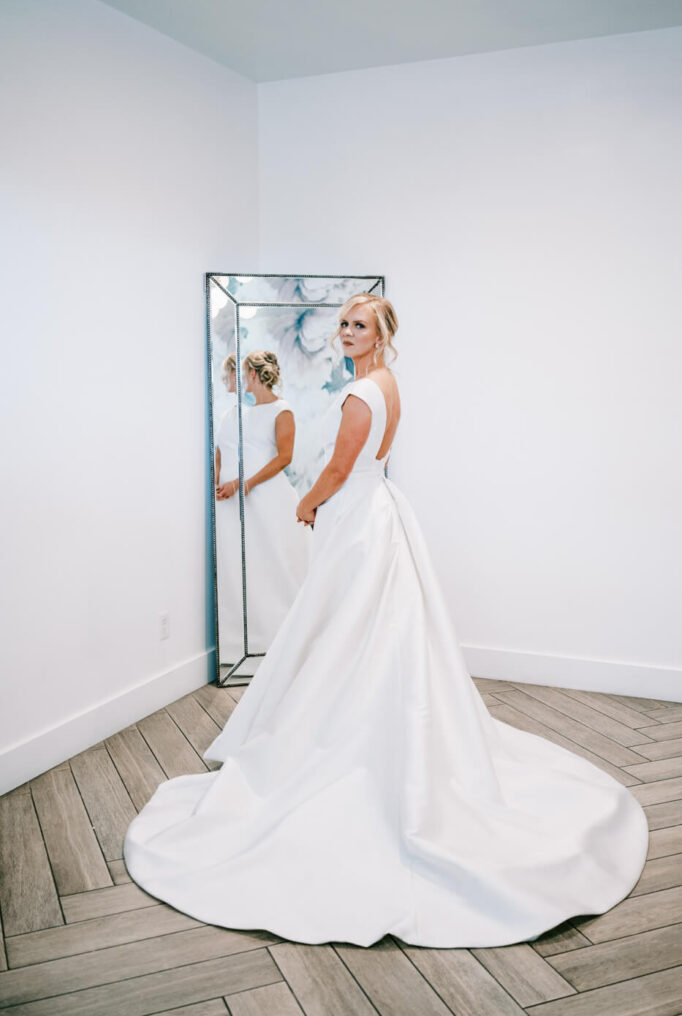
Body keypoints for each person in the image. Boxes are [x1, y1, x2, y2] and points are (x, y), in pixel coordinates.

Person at [124, 293, 649, 948]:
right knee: (372, 629)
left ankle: (344, 736)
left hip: (356, 515)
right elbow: (371, 461)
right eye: (342, 323)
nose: (345, 332)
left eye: (358, 325)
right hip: (381, 511)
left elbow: (341, 468)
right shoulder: (388, 384)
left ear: (381, 333)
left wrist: (308, 503)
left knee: (345, 629)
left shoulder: (357, 397)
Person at [214, 350, 311, 660]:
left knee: (277, 563)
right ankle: (246, 637)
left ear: (252, 375)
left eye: (239, 372)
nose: (234, 379)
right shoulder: (238, 412)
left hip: (267, 497)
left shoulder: (282, 411)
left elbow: (284, 457)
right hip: (233, 499)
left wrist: (245, 485)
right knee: (245, 565)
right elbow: (222, 451)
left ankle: (288, 640)